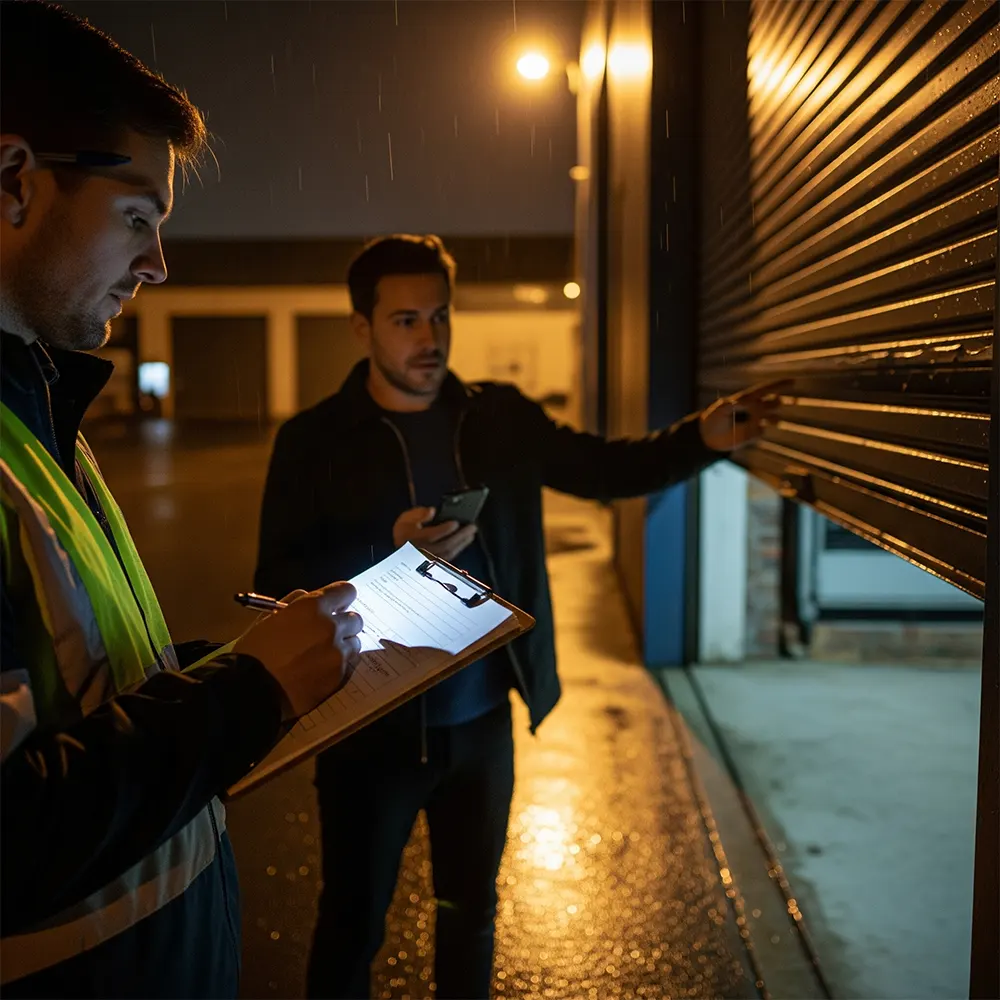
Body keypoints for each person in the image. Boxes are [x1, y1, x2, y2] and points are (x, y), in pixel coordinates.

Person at [254, 234, 781, 998]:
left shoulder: (497, 417)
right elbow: (276, 580)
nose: (430, 339)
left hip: (479, 726)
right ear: (360, 327)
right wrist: (388, 546)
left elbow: (603, 468)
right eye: (406, 321)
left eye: (440, 316)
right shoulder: (311, 442)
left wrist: (702, 438)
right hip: (370, 732)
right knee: (352, 925)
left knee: (470, 913)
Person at [0, 3, 364, 997]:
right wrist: (249, 694)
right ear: (14, 183)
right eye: (137, 219)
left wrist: (241, 665)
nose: (158, 265)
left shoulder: (37, 414)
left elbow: (83, 699)